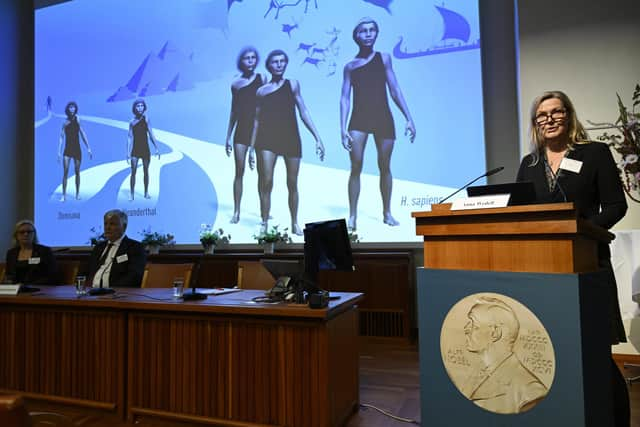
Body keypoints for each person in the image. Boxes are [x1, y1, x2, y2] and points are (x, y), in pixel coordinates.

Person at [516, 90, 629, 426]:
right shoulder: (530, 163)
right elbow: (521, 213)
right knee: (549, 348)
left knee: (594, 353)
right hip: (542, 270)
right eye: (541, 115)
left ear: (569, 115)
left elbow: (615, 206)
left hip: (586, 262)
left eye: (556, 112)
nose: (549, 119)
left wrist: (580, 230)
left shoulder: (594, 154)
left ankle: (614, 419)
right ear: (535, 123)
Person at [340, 18, 416, 231]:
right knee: (356, 166)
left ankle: (387, 212)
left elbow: (395, 89)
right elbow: (345, 97)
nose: (368, 34)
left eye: (372, 30)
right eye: (363, 31)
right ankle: (353, 215)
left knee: (385, 165)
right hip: (359, 119)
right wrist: (342, 127)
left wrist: (409, 118)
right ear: (356, 36)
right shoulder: (350, 66)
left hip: (383, 116)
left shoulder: (384, 58)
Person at [248, 49, 325, 235]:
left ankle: (294, 222)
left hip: (290, 137)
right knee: (266, 181)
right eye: (275, 62)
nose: (279, 64)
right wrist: (251, 147)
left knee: (292, 183)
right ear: (269, 65)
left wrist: (317, 137)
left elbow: (303, 111)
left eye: (282, 61)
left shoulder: (293, 85)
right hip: (266, 139)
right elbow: (256, 119)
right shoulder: (261, 91)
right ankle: (264, 222)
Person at [461, 297, 547, 414]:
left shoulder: (530, 391)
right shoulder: (473, 375)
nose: (466, 328)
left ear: (495, 333)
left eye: (473, 323)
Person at [225, 47, 267, 224]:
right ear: (241, 62)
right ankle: (236, 211)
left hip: (261, 130)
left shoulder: (262, 78)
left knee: (263, 173)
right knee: (239, 171)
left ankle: (263, 212)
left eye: (253, 58)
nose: (250, 61)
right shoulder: (235, 84)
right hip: (241, 130)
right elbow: (234, 110)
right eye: (246, 58)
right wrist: (227, 136)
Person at [87, 209, 146, 288]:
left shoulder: (135, 247)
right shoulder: (98, 248)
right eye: (105, 224)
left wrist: (112, 290)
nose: (107, 227)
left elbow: (134, 276)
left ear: (124, 227)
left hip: (118, 293)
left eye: (112, 224)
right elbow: (88, 272)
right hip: (92, 292)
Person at [57, 101, 92, 202]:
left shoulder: (78, 119)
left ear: (75, 109)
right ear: (67, 110)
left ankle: (77, 194)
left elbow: (82, 133)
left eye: (73, 108)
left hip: (77, 149)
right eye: (70, 108)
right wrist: (58, 152)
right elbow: (61, 137)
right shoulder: (65, 123)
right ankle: (63, 195)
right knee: (65, 172)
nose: (72, 109)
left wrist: (88, 148)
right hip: (67, 149)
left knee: (77, 172)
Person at [5, 220, 56, 285]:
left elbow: (52, 276)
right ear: (16, 236)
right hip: (16, 290)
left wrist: (28, 285)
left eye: (29, 232)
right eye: (22, 232)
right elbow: (9, 275)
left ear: (34, 234)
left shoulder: (44, 251)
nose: (26, 234)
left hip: (38, 289)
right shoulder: (11, 253)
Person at [127, 99, 160, 201]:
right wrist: (128, 153)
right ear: (134, 108)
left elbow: (151, 134)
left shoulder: (146, 119)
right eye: (138, 106)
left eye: (141, 106)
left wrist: (156, 147)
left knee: (146, 171)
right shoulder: (131, 122)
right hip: (135, 150)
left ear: (144, 107)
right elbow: (129, 138)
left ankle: (146, 193)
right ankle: (131, 194)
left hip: (145, 149)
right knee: (133, 171)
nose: (140, 108)